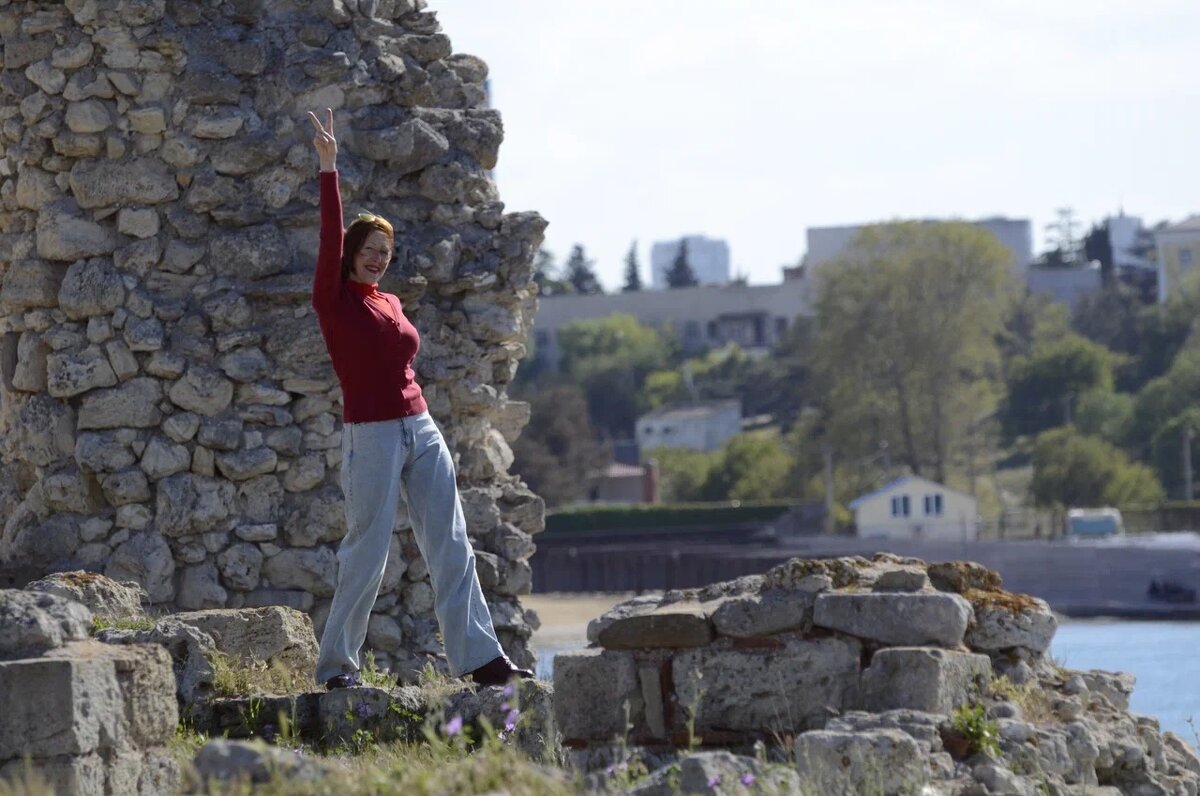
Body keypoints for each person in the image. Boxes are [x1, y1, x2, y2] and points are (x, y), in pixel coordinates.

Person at [306, 108, 532, 690]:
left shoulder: (391, 301)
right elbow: (330, 236)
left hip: (420, 425)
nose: (378, 258)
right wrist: (329, 169)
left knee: (452, 543)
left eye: (386, 250)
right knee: (367, 552)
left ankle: (483, 661)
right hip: (372, 434)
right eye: (370, 248)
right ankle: (337, 670)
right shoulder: (335, 301)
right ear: (352, 251)